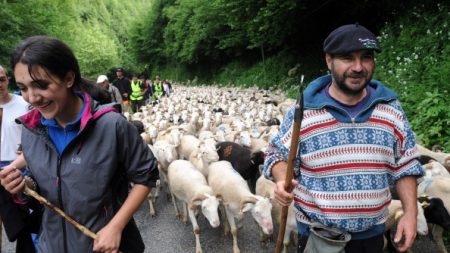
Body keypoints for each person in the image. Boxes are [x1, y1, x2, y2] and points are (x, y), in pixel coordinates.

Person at [263, 24, 424, 253]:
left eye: (366, 58)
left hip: (372, 236)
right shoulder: (304, 110)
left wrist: (410, 214)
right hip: (319, 236)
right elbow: (278, 153)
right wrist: (282, 179)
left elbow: (405, 164)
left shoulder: (391, 110)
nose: (358, 67)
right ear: (329, 61)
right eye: (347, 58)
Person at [0, 36, 159, 253]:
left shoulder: (111, 126)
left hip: (101, 245)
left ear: (68, 78)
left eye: (41, 85)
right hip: (51, 245)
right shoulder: (31, 131)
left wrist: (116, 226)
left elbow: (146, 175)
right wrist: (22, 186)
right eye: (23, 88)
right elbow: (43, 186)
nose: (32, 98)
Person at [0, 64, 41, 253]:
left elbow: (39, 136)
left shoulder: (24, 104)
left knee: (25, 221)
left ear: (7, 79)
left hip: (21, 168)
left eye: (1, 79)